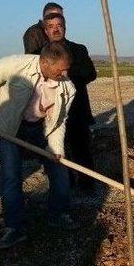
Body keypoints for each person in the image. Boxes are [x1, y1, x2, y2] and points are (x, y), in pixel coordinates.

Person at [0, 42, 79, 250]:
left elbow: (59, 121)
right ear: (44, 62)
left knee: (59, 169)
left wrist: (57, 150)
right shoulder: (16, 65)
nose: (66, 72)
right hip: (10, 128)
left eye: (67, 67)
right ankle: (15, 228)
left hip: (42, 129)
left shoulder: (67, 87)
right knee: (11, 176)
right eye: (61, 69)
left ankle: (57, 214)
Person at [34, 12, 97, 192]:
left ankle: (87, 185)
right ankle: (64, 185)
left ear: (65, 27)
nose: (56, 29)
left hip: (77, 108)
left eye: (59, 25)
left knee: (82, 148)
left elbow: (91, 74)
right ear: (45, 30)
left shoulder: (79, 49)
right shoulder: (38, 54)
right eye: (51, 26)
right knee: (57, 150)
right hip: (51, 111)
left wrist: (66, 72)